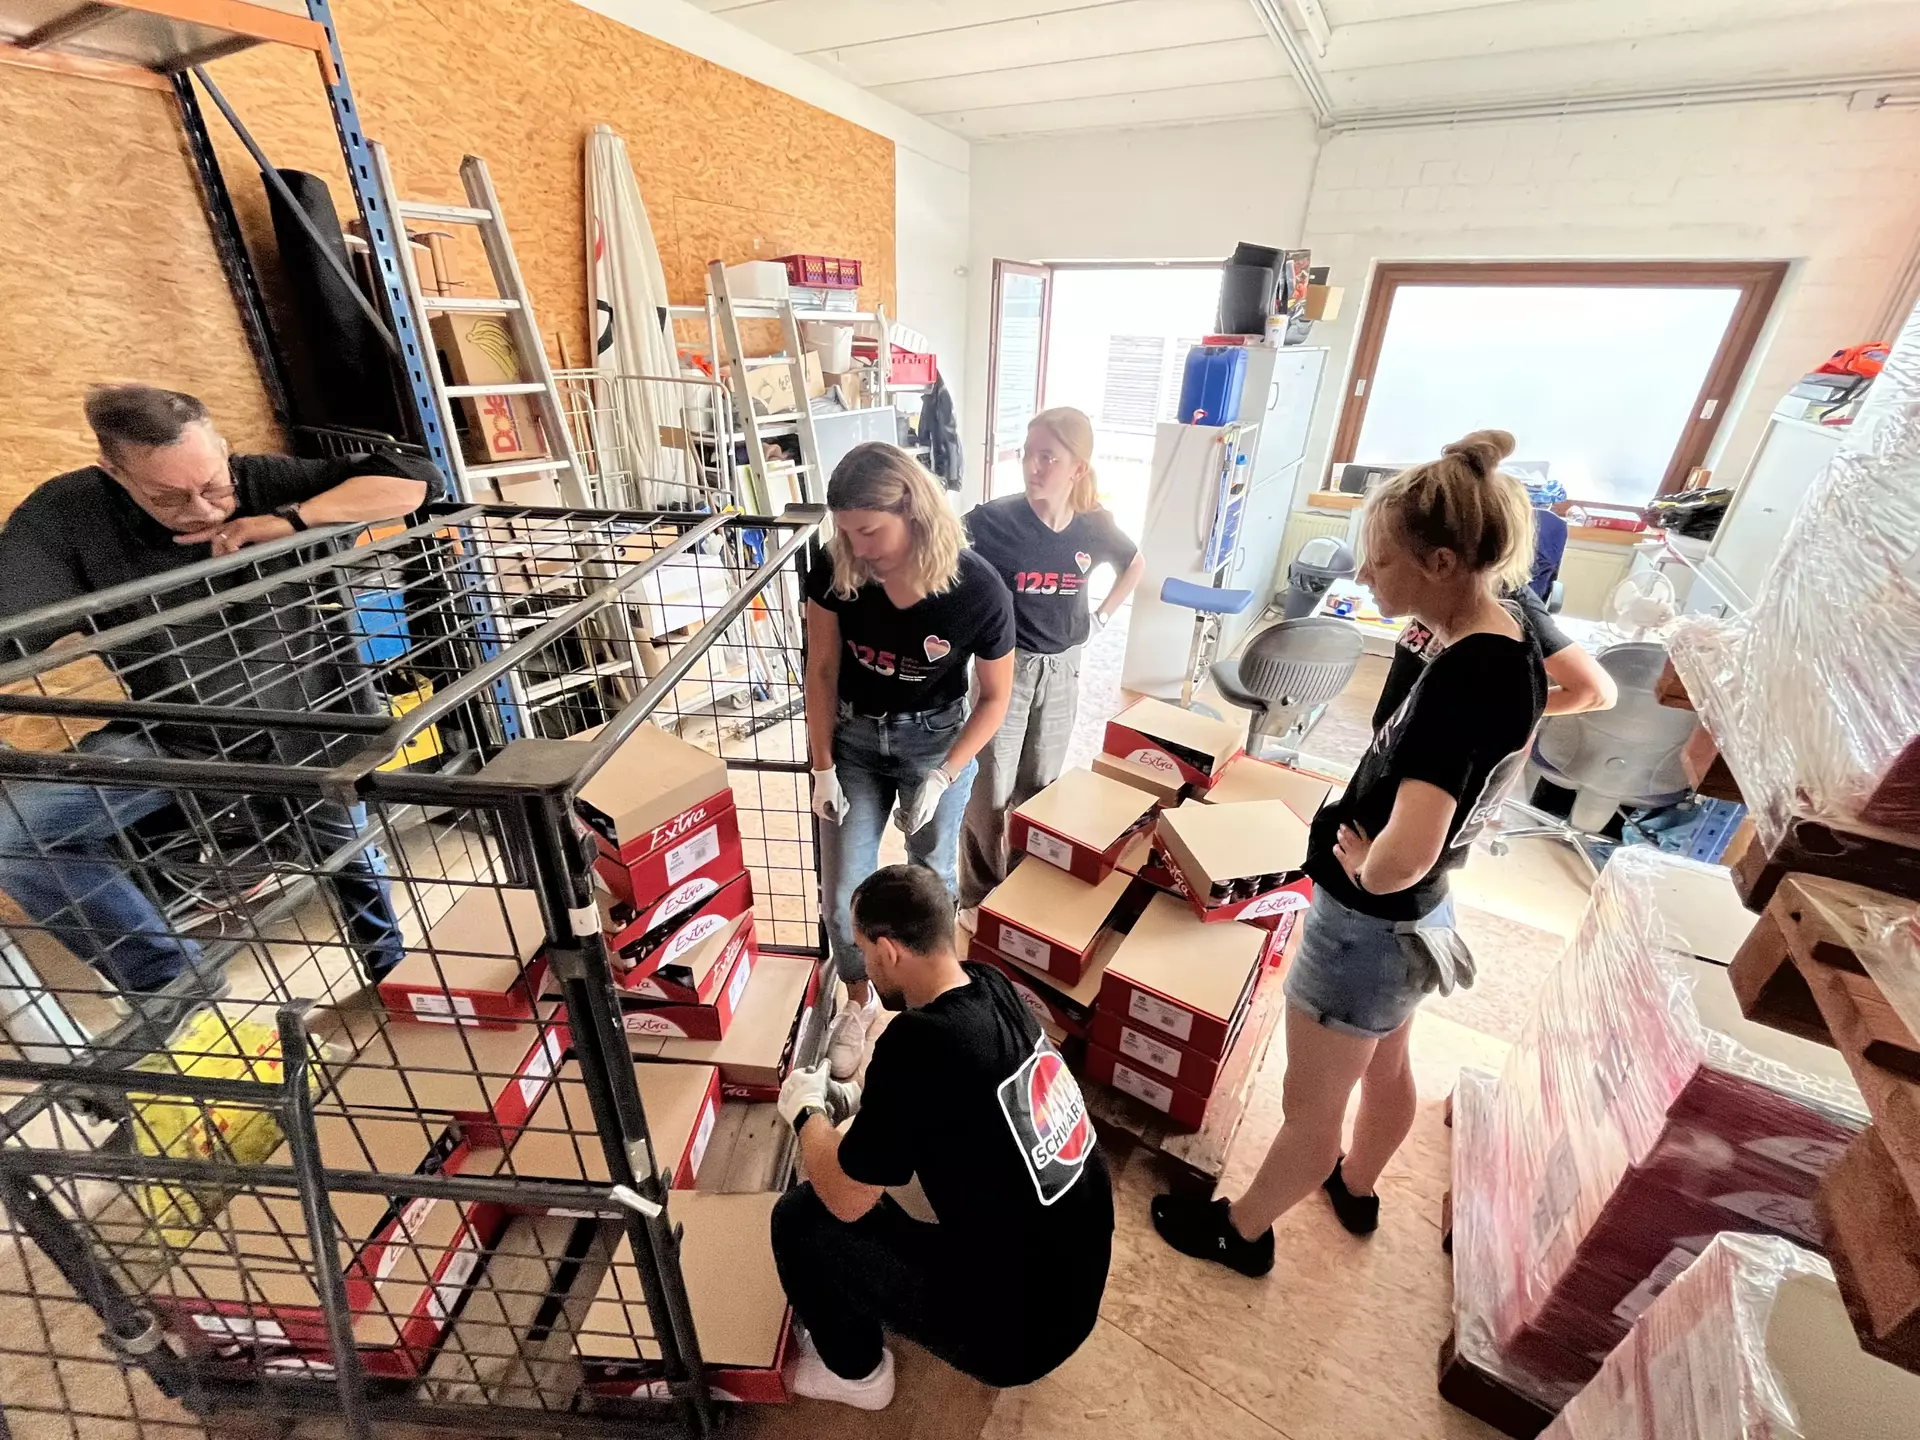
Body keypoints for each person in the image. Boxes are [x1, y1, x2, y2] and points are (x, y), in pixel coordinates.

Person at [1151, 430, 1548, 1273]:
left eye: (1381, 560)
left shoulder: (1467, 680)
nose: (1365, 577)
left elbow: (1406, 850)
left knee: (1308, 1106)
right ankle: (1356, 1184)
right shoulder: (1508, 642)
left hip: (1371, 925)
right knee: (1389, 1057)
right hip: (1420, 918)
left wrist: (1368, 865)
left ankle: (1242, 1231)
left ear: (1441, 562)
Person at [0, 385, 442, 1039]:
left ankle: (397, 980)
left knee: (350, 858)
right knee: (13, 835)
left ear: (223, 452)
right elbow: (15, 619)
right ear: (113, 474)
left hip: (309, 721)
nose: (201, 509)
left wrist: (286, 521)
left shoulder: (262, 480)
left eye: (212, 485)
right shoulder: (68, 513)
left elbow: (415, 483)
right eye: (168, 498)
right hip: (173, 735)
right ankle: (167, 976)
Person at [771, 864, 1113, 1408]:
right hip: (1071, 1290)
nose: (863, 962)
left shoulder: (916, 1045)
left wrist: (806, 1112)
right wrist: (864, 1103)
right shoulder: (990, 984)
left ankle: (858, 1376)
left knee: (801, 1219)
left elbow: (844, 1200)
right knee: (885, 1168)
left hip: (1018, 1340)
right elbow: (953, 1094)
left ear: (887, 951)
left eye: (862, 949)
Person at [805, 444, 1015, 1077]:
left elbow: (997, 698)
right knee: (845, 890)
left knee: (932, 879)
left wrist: (947, 772)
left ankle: (936, 1008)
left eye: (869, 530)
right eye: (846, 531)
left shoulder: (977, 589)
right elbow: (821, 669)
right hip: (855, 743)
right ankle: (857, 1003)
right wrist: (821, 766)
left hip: (937, 740)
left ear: (913, 510)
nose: (859, 546)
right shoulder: (836, 566)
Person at [958, 407, 1144, 914]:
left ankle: (1021, 891)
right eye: (1028, 455)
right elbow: (943, 556)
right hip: (1005, 672)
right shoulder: (993, 520)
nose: (1033, 467)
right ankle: (977, 896)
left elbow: (1135, 564)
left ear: (1077, 468)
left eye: (1048, 457)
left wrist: (1101, 618)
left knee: (1039, 786)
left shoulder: (1093, 527)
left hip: (1063, 668)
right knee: (989, 791)